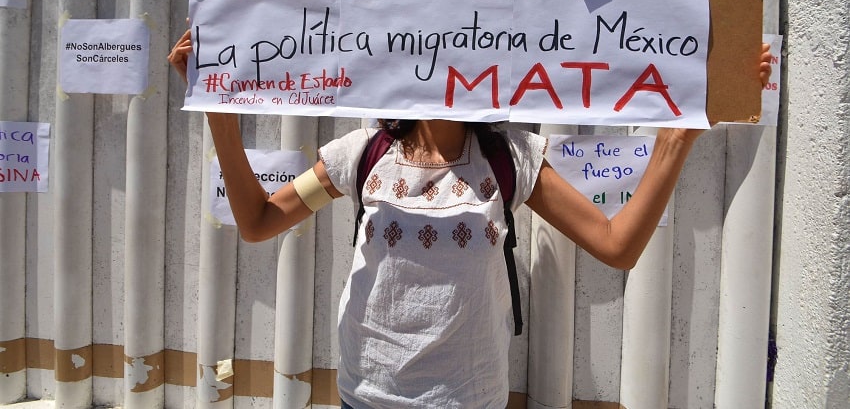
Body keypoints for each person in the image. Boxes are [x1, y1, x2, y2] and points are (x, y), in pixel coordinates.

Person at [169, 29, 771, 409]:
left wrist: (677, 138)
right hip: (366, 395)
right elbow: (256, 221)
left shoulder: (510, 158)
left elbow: (616, 245)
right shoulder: (363, 153)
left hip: (469, 399)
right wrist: (218, 113)